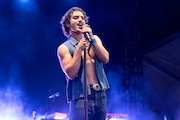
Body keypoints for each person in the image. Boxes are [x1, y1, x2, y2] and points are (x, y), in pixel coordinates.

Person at [57, 7, 110, 120]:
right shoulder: (64, 48)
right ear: (67, 24)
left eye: (82, 18)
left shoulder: (94, 39)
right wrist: (79, 49)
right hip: (81, 97)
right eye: (76, 18)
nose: (80, 20)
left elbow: (105, 58)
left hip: (100, 94)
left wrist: (92, 38)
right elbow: (70, 74)